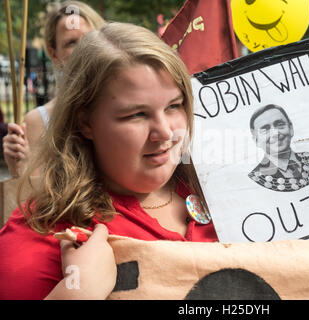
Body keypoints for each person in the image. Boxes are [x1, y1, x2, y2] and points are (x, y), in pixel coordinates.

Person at [0, 22, 218, 300]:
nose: (165, 132)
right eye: (136, 114)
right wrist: (75, 294)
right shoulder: (46, 230)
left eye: (173, 106)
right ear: (85, 122)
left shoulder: (218, 190)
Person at [2, 1, 104, 178]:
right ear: (54, 54)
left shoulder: (128, 103)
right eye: (71, 43)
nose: (82, 49)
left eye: (88, 37)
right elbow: (33, 199)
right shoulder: (39, 121)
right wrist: (21, 169)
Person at [248, 104, 309, 192]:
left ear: (291, 128)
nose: (275, 133)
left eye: (280, 125)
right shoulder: (257, 178)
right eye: (265, 130)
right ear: (256, 140)